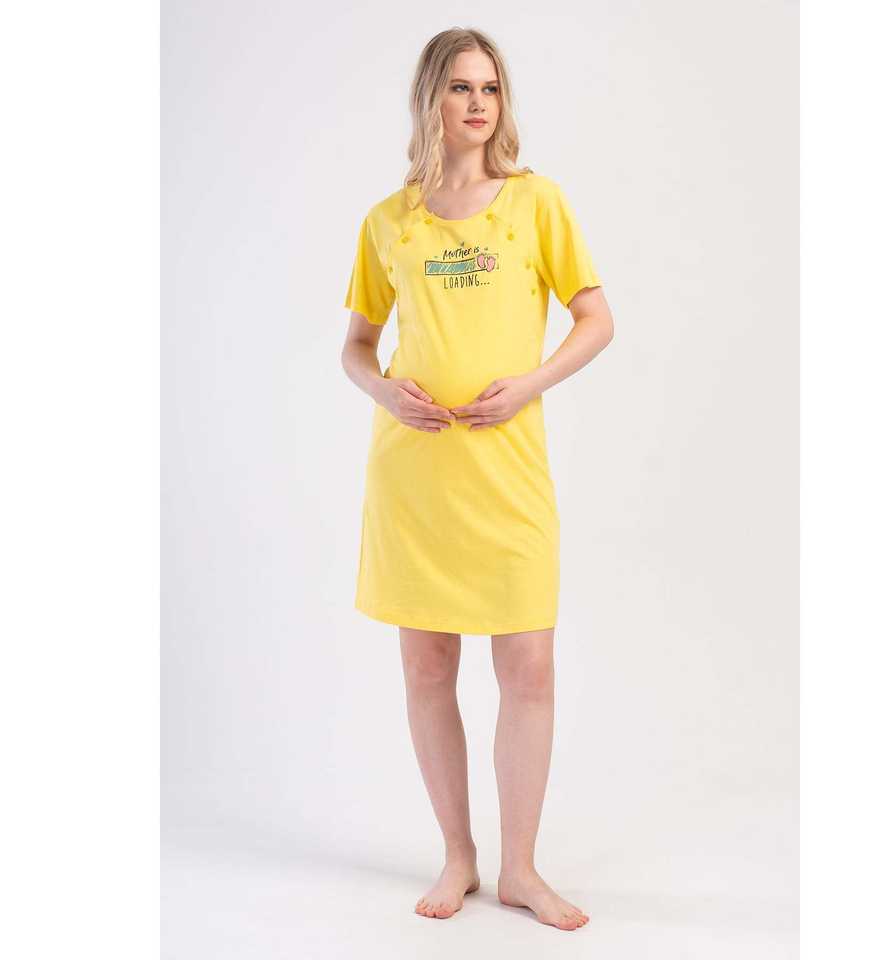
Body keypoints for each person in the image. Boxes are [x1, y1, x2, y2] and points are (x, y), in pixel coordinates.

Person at [341, 27, 613, 931]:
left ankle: (521, 868)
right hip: (416, 478)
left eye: (490, 87)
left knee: (528, 666)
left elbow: (595, 318)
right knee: (428, 666)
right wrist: (384, 390)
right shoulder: (389, 220)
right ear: (432, 98)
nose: (478, 103)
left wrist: (530, 383)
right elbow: (355, 346)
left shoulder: (537, 203)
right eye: (460, 87)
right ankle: (457, 855)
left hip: (508, 471)